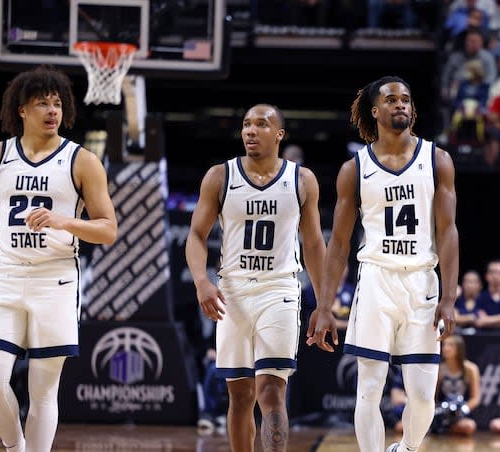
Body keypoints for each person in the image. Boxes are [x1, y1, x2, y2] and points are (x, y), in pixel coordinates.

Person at [0, 64, 118, 452]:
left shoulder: (81, 161)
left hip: (56, 280)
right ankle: (16, 447)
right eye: (42, 104)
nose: (52, 111)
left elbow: (108, 229)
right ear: (21, 110)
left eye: (57, 104)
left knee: (43, 391)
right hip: (6, 275)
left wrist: (64, 220)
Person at [306, 75, 460, 452]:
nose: (401, 105)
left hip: (422, 281)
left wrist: (450, 297)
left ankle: (406, 448)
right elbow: (338, 242)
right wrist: (324, 306)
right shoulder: (355, 168)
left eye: (406, 99)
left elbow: (449, 232)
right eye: (392, 100)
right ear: (375, 111)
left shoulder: (437, 160)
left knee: (424, 396)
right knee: (369, 389)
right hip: (375, 279)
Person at [185, 103, 326, 452]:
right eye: (247, 124)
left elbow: (313, 243)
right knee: (240, 393)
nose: (251, 130)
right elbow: (196, 236)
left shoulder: (302, 179)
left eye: (261, 124)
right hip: (232, 292)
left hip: (278, 290)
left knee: (271, 389)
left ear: (279, 134)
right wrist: (202, 281)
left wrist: (324, 303)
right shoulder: (220, 176)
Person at [432, 334, 480, 436]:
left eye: (451, 345)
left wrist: (463, 409)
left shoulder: (471, 369)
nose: (446, 348)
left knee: (469, 427)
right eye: (444, 345)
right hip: (442, 409)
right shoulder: (439, 368)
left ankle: (444, 429)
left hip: (460, 412)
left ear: (459, 348)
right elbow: (433, 396)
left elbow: (475, 398)